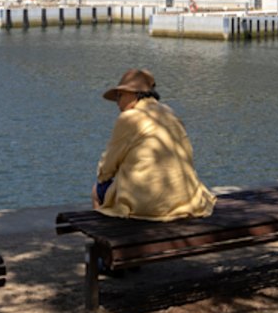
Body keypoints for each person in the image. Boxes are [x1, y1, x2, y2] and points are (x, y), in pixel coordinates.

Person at [92, 69, 216, 221]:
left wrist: (103, 178)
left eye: (120, 95)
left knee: (97, 190)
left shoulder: (129, 118)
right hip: (187, 200)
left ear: (135, 94)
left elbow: (107, 167)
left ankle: (103, 235)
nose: (117, 102)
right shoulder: (170, 112)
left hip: (147, 205)